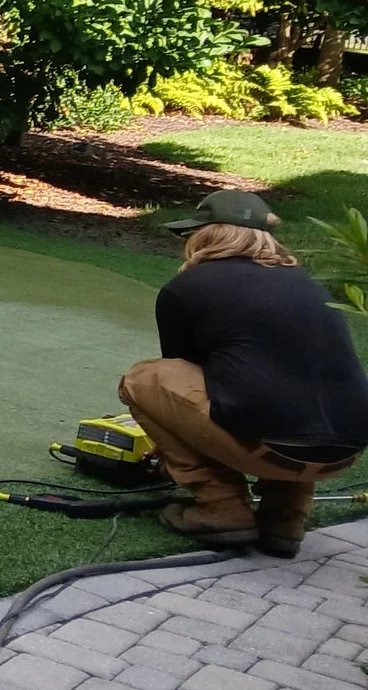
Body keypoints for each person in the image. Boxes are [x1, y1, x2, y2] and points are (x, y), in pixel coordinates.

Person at [118, 189, 368, 556]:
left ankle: (221, 507)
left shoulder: (186, 288)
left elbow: (185, 374)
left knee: (143, 379)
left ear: (205, 235)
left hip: (268, 448)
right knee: (290, 398)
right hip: (346, 452)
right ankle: (285, 519)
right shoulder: (307, 284)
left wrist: (170, 449)